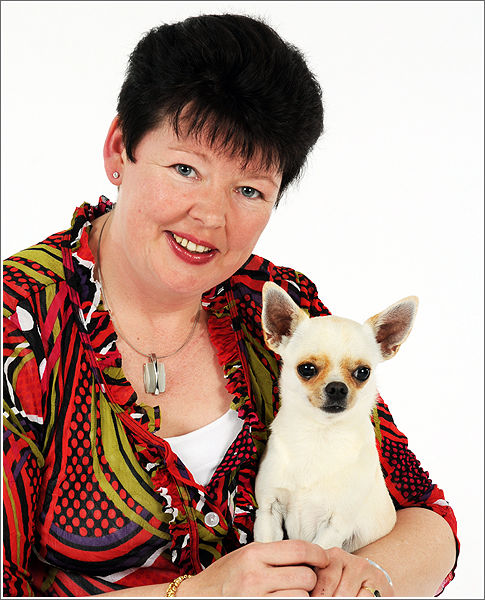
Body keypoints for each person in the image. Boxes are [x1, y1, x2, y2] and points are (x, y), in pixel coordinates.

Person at [3, 13, 458, 598]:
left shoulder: (278, 306)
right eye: (185, 169)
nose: (211, 216)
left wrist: (373, 578)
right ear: (120, 148)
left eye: (249, 189)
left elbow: (426, 517)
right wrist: (198, 594)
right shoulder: (20, 321)